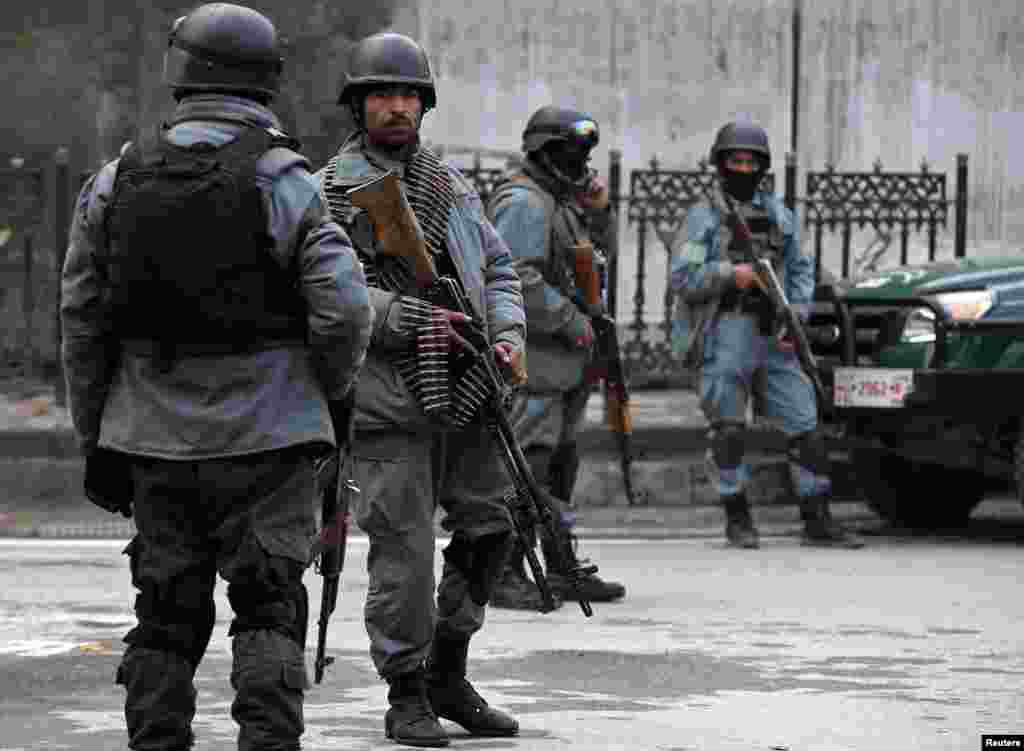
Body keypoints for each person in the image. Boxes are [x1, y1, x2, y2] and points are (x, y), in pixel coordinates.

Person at [60, 5, 373, 750]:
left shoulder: (116, 179)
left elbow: (82, 318)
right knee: (268, 608)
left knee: (165, 613)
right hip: (271, 442)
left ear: (180, 72)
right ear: (267, 79)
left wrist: (96, 433)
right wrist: (321, 395)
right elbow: (347, 310)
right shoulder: (283, 178)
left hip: (154, 442)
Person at [315, 31, 524, 748]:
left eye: (408, 95)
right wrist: (399, 315)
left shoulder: (450, 185)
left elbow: (497, 269)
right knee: (404, 554)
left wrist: (507, 336)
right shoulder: (333, 188)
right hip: (387, 398)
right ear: (359, 103)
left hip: (465, 383)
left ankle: (448, 671)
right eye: (383, 94)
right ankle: (405, 691)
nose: (397, 107)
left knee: (493, 523)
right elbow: (321, 294)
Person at [669, 120, 863, 550]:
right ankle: (737, 517)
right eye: (735, 160)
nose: (743, 167)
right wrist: (730, 274)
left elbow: (799, 268)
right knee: (729, 429)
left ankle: (818, 519)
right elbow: (683, 277)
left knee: (805, 424)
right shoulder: (705, 217)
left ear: (763, 166)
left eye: (751, 160)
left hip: (774, 332)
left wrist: (797, 313)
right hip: (725, 332)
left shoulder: (779, 214)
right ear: (721, 164)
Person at [485, 106, 627, 610]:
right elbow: (516, 278)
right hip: (535, 363)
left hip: (564, 363)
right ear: (546, 153)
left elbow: (595, 259)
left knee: (558, 468)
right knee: (527, 467)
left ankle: (561, 564)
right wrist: (573, 321)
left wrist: (601, 212)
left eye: (584, 153)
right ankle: (501, 570)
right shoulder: (525, 201)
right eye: (570, 152)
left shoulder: (559, 201)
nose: (580, 162)